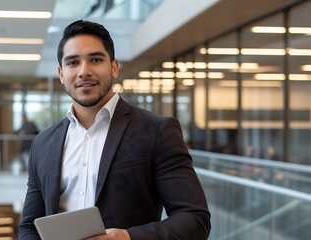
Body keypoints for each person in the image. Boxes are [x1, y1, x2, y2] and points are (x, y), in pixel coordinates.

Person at [19, 20, 211, 240]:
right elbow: (29, 227)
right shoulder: (43, 142)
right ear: (61, 74)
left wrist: (126, 238)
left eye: (95, 59)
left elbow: (195, 219)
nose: (84, 71)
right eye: (73, 63)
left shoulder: (156, 130)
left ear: (114, 67)